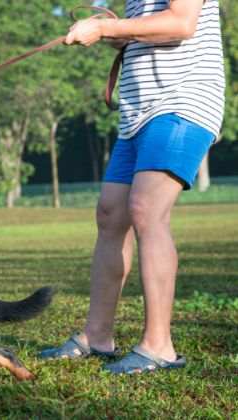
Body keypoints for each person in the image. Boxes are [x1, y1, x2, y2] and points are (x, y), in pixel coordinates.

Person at [39, 0, 225, 374]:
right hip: (138, 112)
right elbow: (148, 34)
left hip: (182, 103)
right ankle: (98, 336)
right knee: (111, 214)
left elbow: (181, 23)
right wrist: (115, 33)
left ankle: (159, 346)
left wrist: (108, 29)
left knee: (146, 210)